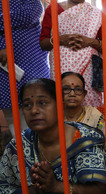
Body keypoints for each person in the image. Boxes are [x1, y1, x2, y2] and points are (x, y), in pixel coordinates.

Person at [0, 79, 106, 194]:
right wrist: (36, 190)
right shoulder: (19, 144)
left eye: (42, 103)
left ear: (59, 105)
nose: (34, 110)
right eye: (27, 105)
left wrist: (56, 186)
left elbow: (101, 189)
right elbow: (5, 189)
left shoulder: (84, 138)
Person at [40, 0, 106, 107]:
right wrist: (60, 39)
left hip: (88, 70)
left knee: (89, 108)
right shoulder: (53, 9)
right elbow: (43, 43)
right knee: (63, 104)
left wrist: (89, 41)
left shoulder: (96, 13)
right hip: (61, 67)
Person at [0, 0, 50, 136]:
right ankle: (22, 151)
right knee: (11, 105)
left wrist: (2, 18)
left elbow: (33, 12)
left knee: (40, 97)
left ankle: (41, 150)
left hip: (32, 54)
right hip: (3, 60)